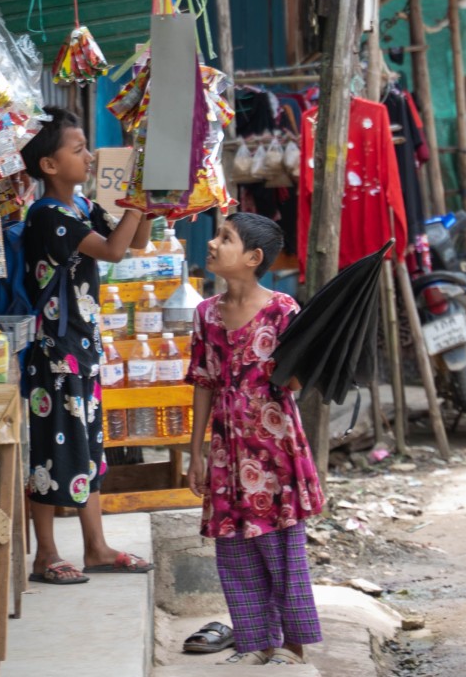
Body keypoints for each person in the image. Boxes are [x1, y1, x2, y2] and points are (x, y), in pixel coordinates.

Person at [19, 106, 155, 584]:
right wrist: (136, 203)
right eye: (78, 150)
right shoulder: (49, 215)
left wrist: (146, 201)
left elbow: (135, 241)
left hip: (82, 347)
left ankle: (96, 547)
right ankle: (45, 554)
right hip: (55, 352)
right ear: (50, 166)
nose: (90, 156)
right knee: (51, 453)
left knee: (88, 450)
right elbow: (113, 250)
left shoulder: (79, 208)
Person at [185, 212, 326, 665]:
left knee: (282, 546)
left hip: (276, 450)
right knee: (235, 546)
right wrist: (197, 454)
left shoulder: (284, 311)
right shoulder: (205, 314)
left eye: (225, 238)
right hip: (227, 451)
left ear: (253, 258)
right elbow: (204, 383)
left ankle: (293, 644)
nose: (211, 243)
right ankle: (259, 642)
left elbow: (299, 383)